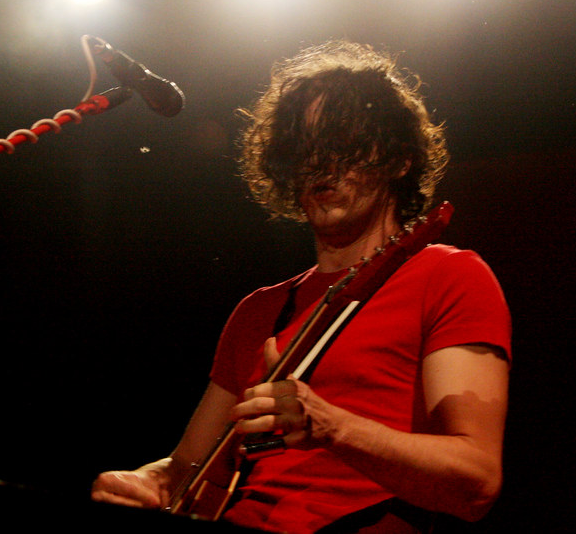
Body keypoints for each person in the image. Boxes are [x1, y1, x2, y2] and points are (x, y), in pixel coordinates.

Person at [91, 40, 511, 534]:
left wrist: (331, 427)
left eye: (344, 141)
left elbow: (476, 482)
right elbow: (184, 472)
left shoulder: (449, 275)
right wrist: (145, 483)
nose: (320, 161)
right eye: (303, 145)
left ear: (400, 159)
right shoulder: (260, 310)